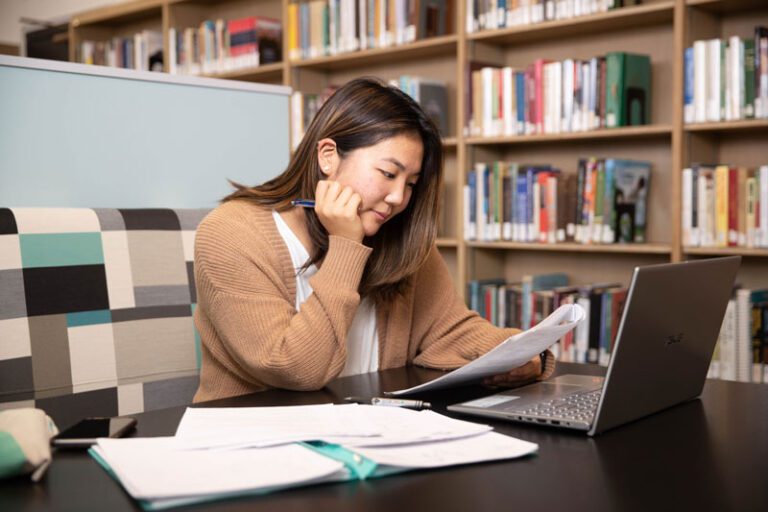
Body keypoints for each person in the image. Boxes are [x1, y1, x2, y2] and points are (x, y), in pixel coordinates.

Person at [192, 77, 555, 402]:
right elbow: (296, 368)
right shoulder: (230, 233)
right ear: (328, 156)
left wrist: (523, 353)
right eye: (388, 173)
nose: (398, 198)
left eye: (410, 183)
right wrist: (346, 247)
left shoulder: (397, 239)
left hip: (368, 432)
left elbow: (447, 332)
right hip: (260, 441)